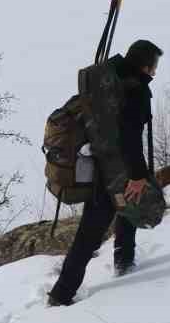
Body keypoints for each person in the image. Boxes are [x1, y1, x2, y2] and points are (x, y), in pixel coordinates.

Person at [48, 39, 161, 306]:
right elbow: (131, 137)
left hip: (99, 159)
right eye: (153, 66)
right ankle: (61, 294)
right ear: (144, 65)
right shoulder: (135, 90)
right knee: (90, 233)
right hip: (118, 170)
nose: (155, 72)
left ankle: (124, 260)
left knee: (125, 208)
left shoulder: (106, 78)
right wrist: (137, 176)